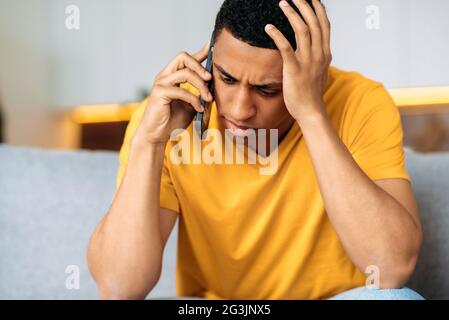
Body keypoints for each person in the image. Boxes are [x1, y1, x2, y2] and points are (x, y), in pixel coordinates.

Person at [87, 0, 424, 300]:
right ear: (209, 63)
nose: (238, 109)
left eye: (267, 90)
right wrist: (150, 142)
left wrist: (311, 112)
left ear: (313, 75)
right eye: (227, 78)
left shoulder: (361, 103)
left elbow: (391, 268)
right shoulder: (166, 115)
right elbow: (119, 289)